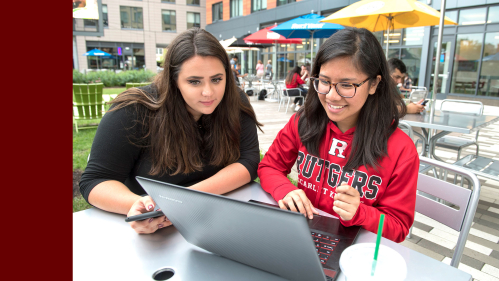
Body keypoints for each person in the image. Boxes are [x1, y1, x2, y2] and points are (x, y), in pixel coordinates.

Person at [79, 28, 263, 234]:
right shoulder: (132, 110)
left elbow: (248, 161)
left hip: (218, 220)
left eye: (217, 79)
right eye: (194, 81)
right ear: (173, 80)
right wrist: (141, 206)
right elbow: (95, 180)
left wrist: (182, 201)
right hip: (155, 231)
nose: (209, 92)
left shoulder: (234, 100)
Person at [257, 27, 419, 243]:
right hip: (302, 237)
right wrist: (285, 189)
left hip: (356, 251)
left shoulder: (401, 149)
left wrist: (360, 213)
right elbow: (269, 166)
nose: (332, 96)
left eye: (346, 85)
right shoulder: (304, 121)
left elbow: (398, 228)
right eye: (324, 82)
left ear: (374, 84)